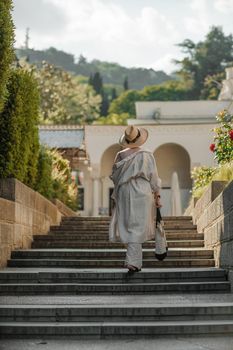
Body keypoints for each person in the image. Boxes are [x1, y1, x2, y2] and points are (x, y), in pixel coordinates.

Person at [109, 125, 162, 273]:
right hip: (143, 191)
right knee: (138, 226)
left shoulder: (120, 155)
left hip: (125, 191)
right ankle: (134, 262)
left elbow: (114, 177)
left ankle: (133, 262)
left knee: (128, 225)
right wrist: (157, 197)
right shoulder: (147, 154)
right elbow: (154, 177)